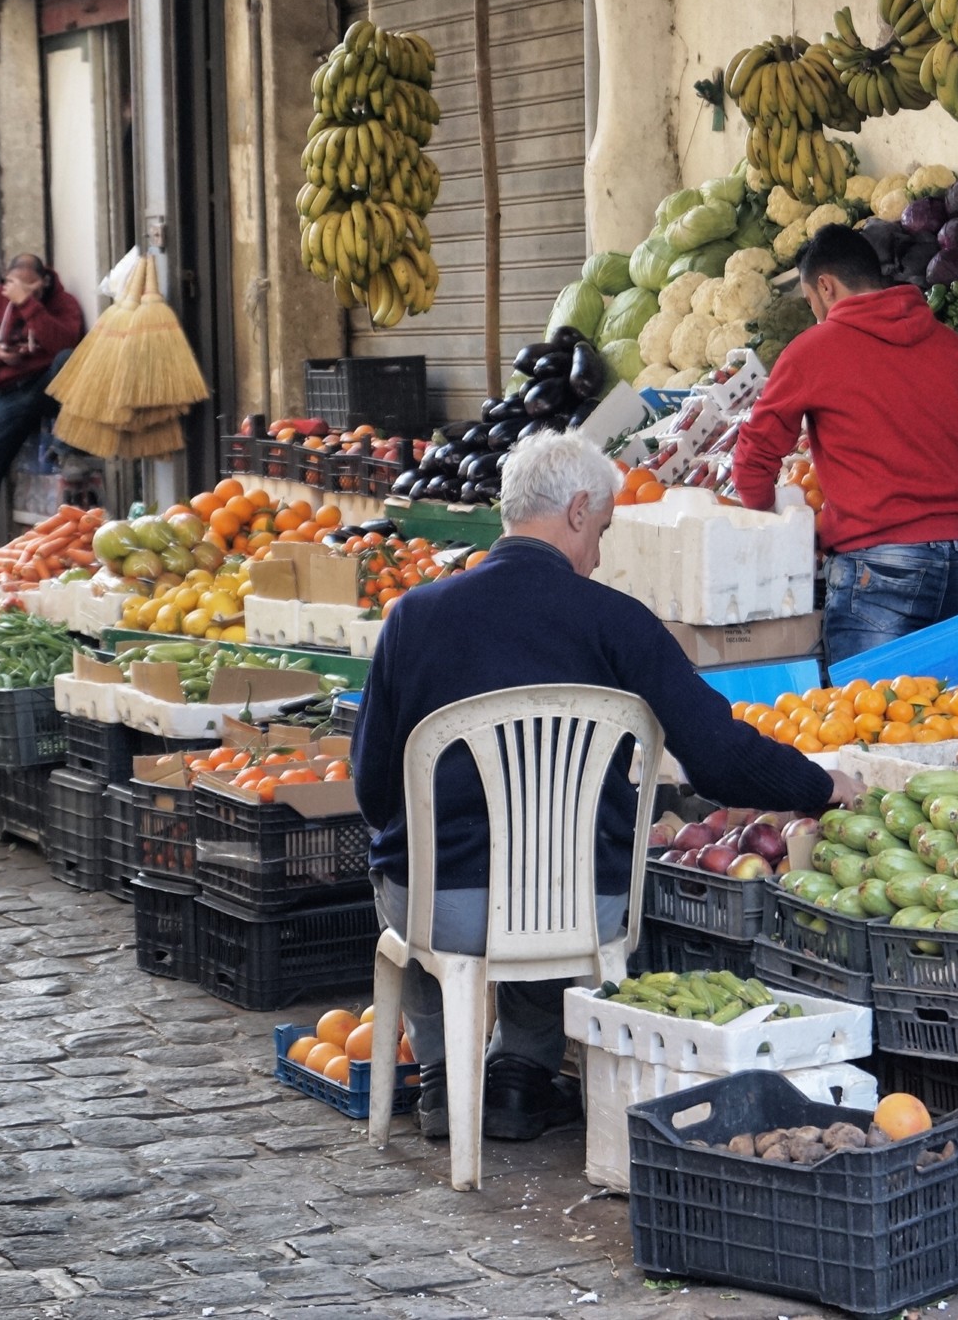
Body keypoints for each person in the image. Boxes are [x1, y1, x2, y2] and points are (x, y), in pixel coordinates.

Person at [352, 432, 861, 1143]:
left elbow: (373, 788)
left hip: (445, 912)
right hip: (577, 908)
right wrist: (820, 784)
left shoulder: (414, 616)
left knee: (394, 858)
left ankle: (440, 1075)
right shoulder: (618, 621)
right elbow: (717, 758)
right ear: (579, 509)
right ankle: (521, 1076)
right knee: (555, 865)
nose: (599, 554)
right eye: (603, 532)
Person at [731, 224, 958, 664]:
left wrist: (771, 521)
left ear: (825, 285)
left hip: (876, 574)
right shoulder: (957, 351)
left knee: (869, 725)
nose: (814, 313)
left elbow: (754, 455)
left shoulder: (813, 350)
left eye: (810, 302)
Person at [0, 254, 86, 559]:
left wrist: (28, 304)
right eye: (14, 288)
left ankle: (67, 444)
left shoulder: (62, 302)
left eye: (31, 290)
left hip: (48, 385)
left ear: (43, 283)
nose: (18, 295)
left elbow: (64, 343)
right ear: (6, 279)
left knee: (67, 358)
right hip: (12, 390)